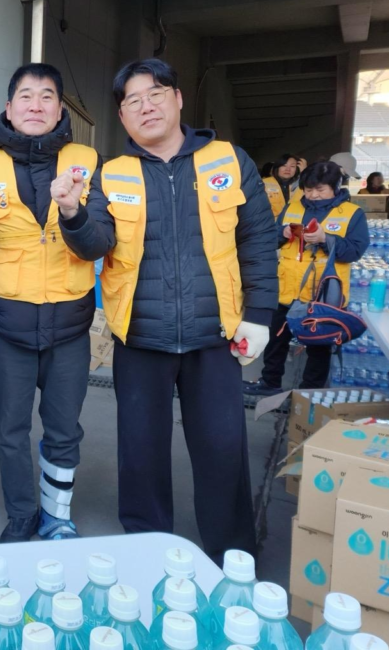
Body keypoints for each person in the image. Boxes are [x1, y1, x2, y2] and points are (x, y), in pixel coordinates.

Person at [69, 58, 279, 561]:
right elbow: (94, 244)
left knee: (223, 450)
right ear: (121, 116)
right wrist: (74, 213)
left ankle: (232, 555)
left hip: (216, 337)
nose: (146, 107)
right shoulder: (112, 173)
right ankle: (146, 545)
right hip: (140, 337)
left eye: (155, 94)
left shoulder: (228, 161)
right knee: (140, 453)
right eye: (132, 101)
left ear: (178, 99)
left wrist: (261, 315)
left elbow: (257, 241)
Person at [0, 62, 99, 543]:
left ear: (60, 108)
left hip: (70, 325)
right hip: (6, 325)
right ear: (9, 109)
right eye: (26, 97)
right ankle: (21, 513)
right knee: (11, 429)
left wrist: (73, 211)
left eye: (47, 97)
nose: (36, 105)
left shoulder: (88, 162)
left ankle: (57, 515)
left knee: (63, 428)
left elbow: (98, 243)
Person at [245, 161, 369, 395]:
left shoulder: (352, 214)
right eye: (309, 190)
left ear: (336, 186)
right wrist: (281, 233)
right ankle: (269, 383)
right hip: (286, 287)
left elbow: (354, 251)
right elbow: (270, 236)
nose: (313, 195)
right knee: (276, 340)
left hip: (323, 292)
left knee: (319, 345)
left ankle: (309, 394)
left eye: (320, 190)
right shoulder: (293, 207)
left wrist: (326, 239)